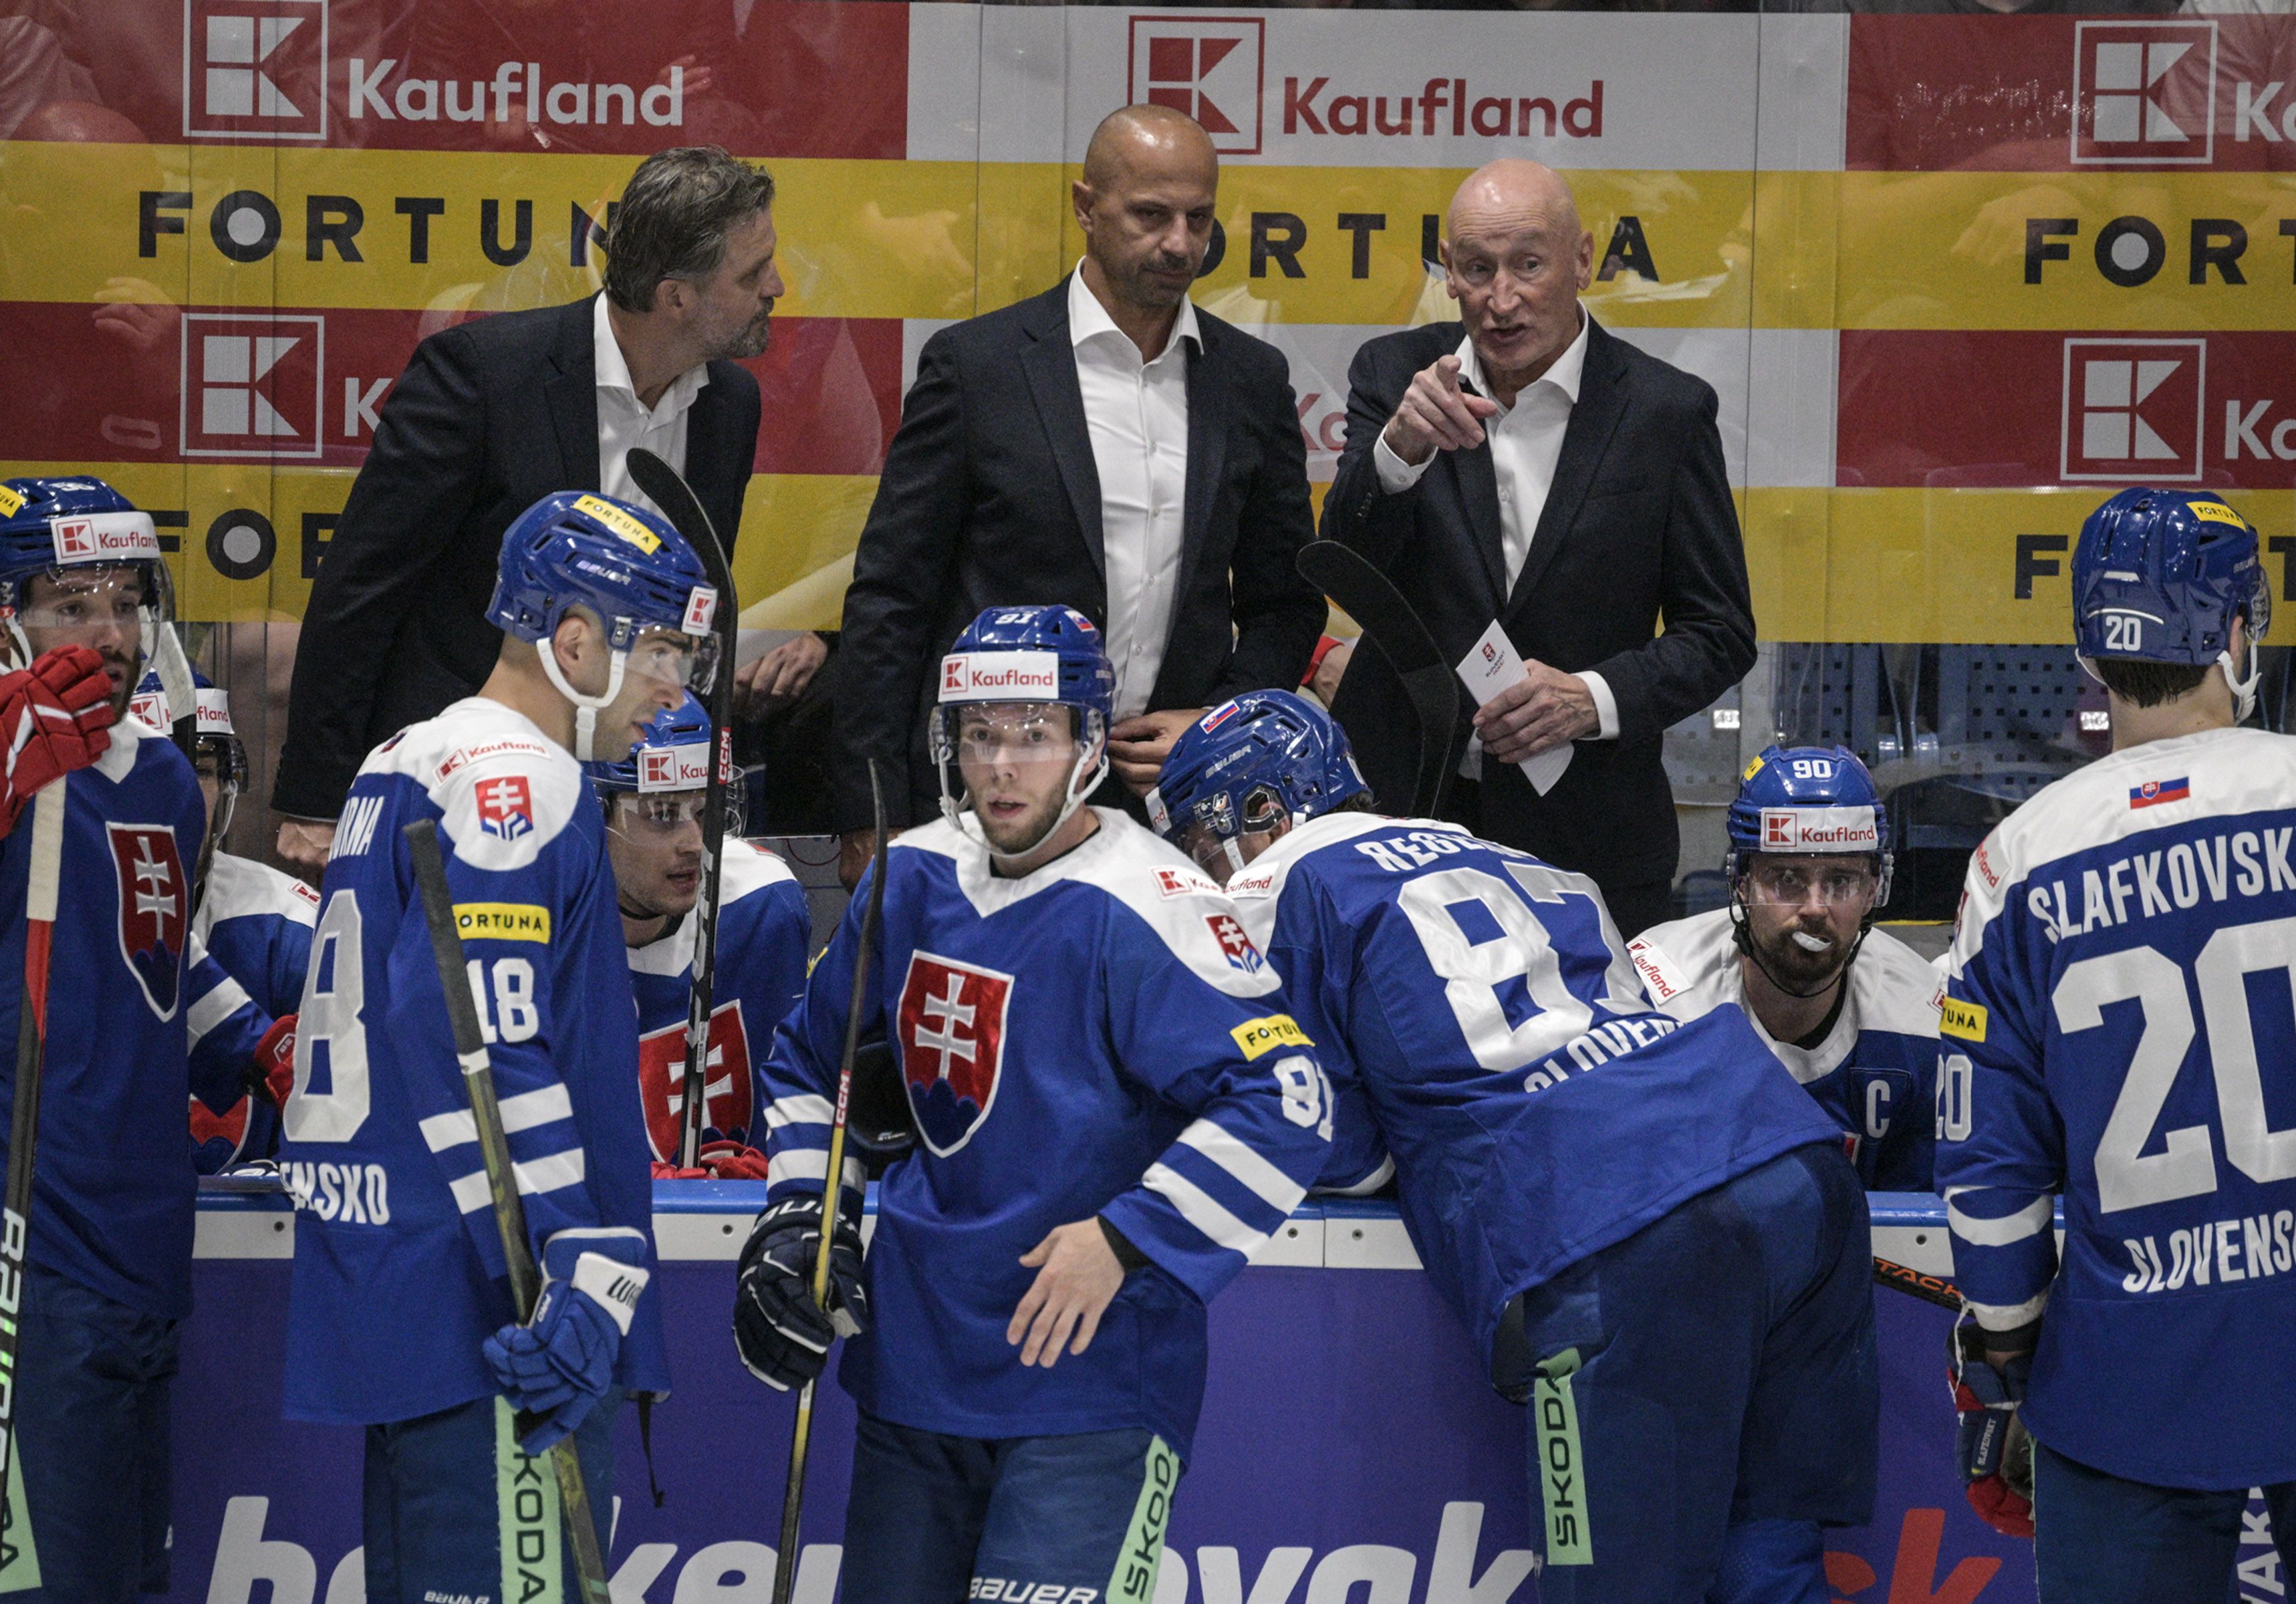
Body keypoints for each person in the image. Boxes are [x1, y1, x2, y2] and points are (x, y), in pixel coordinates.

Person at [1154, 689, 1875, 1604]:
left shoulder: (1270, 886)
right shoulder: (1521, 858)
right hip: (1787, 1161)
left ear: (1256, 813)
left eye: (1197, 843)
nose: (1203, 871)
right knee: (1770, 1566)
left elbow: (1317, 1141)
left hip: (1615, 1222)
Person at [737, 606, 1331, 1604]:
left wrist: (1130, 1236)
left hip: (1092, 1389)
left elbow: (1290, 1099)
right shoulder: (912, 874)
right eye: (980, 736)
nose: (1003, 767)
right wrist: (809, 1211)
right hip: (915, 1371)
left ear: (1089, 744)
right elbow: (809, 1061)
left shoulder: (1154, 900)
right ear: (948, 745)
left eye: (1033, 735)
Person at [1940, 487, 2296, 1599]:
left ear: (2089, 649)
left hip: (2124, 1390)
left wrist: (2004, 1347)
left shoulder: (2012, 864)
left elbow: (1989, 1163)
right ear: (2237, 632)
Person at [279, 490, 714, 1599]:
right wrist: (568, 1258)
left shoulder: (407, 755)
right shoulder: (525, 780)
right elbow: (482, 1039)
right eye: (660, 648)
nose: (676, 688)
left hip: (406, 1287)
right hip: (498, 1304)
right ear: (575, 642)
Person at [273, 145, 809, 870]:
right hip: (463, 785)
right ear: (676, 297)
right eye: (753, 272)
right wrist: (317, 797)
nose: (777, 285)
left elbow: (689, 614)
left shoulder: (730, 406)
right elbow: (361, 589)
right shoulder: (483, 378)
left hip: (628, 805)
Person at [830, 103, 1323, 888]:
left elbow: (1287, 603)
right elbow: (892, 599)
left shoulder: (1252, 382)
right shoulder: (978, 368)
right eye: (1151, 216)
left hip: (1176, 803)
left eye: (1198, 219)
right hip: (993, 792)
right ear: (1086, 207)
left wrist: (1217, 722)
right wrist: (870, 807)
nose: (1179, 244)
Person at [1321, 158, 1755, 937]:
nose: (1503, 299)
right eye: (1477, 269)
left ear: (1584, 262)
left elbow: (1719, 634)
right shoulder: (1397, 377)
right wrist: (1399, 450)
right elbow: (1347, 567)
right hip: (1402, 810)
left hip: (1587, 834)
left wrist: (1590, 699)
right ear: (1448, 273)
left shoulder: (1666, 413)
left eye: (1529, 264)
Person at [0, 475, 264, 1599]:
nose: (107, 633)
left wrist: (256, 1043)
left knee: (130, 1581)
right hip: (33, 1246)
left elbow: (159, 962)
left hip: (146, 1246)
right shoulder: (17, 753)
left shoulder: (163, 771)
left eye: (126, 599)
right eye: (71, 604)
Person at [1626, 745, 1942, 1191]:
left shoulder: (1922, 1023)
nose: (1815, 908)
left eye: (1841, 881)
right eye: (1787, 879)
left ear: (1873, 891)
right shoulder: (1652, 996)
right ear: (1740, 883)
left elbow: (1920, 1235)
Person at [584, 692, 809, 1178]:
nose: (694, 843)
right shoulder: (540, 935)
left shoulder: (762, 905)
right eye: (662, 814)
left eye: (706, 812)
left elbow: (797, 1097)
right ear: (589, 816)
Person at [131, 671, 319, 1172]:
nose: (182, 791)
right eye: (153, 764)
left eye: (201, 769)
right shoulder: (52, 913)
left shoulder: (291, 925)